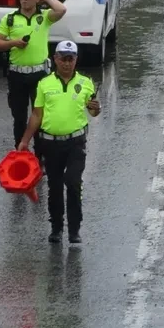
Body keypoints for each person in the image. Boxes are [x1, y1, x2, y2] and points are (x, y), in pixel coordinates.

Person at [17, 41, 101, 244]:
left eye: (70, 58)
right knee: (54, 187)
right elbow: (37, 115)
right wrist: (25, 141)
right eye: (63, 58)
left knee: (72, 182)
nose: (66, 63)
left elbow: (93, 111)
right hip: (50, 144)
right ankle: (56, 228)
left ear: (76, 60)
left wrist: (95, 108)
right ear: (55, 59)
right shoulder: (45, 84)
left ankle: (74, 229)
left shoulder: (86, 82)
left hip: (75, 143)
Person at [0, 0, 67, 151]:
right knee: (19, 117)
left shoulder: (44, 17)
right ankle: (20, 152)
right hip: (17, 75)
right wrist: (14, 43)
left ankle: (39, 156)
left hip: (40, 75)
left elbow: (61, 9)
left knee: (40, 116)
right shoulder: (9, 19)